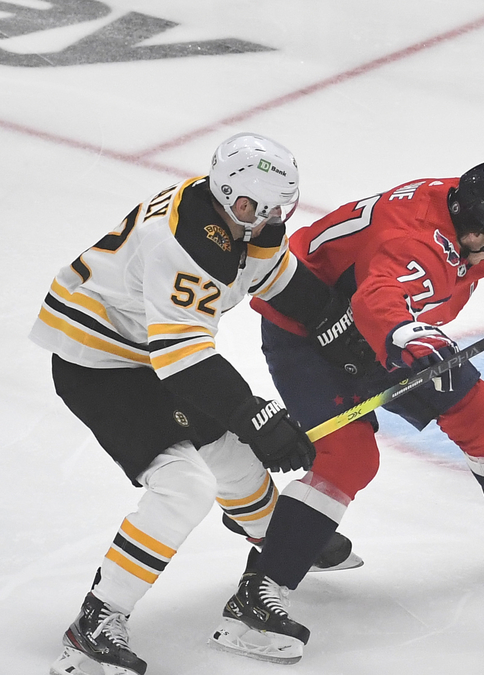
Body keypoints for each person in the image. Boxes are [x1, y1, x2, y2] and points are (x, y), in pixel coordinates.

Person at [209, 161, 484, 664]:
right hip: (310, 330)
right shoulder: (416, 243)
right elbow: (378, 299)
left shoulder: (470, 219)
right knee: (348, 459)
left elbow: (483, 254)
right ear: (474, 228)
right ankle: (255, 595)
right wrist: (404, 335)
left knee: (482, 414)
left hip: (385, 323)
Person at [31, 133, 370, 675]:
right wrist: (255, 415)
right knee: (185, 485)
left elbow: (277, 278)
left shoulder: (239, 220)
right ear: (231, 194)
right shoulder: (185, 243)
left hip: (147, 350)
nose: (265, 219)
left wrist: (336, 323)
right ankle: (94, 622)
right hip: (98, 361)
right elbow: (183, 359)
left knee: (236, 463)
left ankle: (275, 549)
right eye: (255, 209)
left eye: (274, 210)